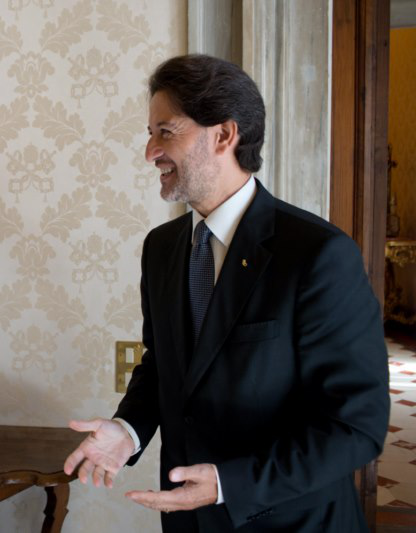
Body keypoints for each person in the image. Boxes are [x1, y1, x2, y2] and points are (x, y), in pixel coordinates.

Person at [63, 54, 390, 532]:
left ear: (223, 135)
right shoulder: (161, 248)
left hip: (292, 523)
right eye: (149, 134)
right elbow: (165, 365)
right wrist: (127, 430)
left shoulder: (319, 255)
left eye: (165, 132)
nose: (150, 151)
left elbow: (355, 428)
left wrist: (229, 483)